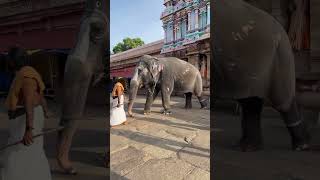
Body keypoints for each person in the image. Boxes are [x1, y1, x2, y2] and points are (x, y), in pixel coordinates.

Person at [0, 47, 52, 180]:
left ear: (12, 61)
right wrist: (46, 110)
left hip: (26, 119)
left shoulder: (26, 75)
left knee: (21, 151)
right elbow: (39, 96)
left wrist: (29, 129)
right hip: (27, 117)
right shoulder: (26, 73)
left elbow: (30, 101)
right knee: (29, 151)